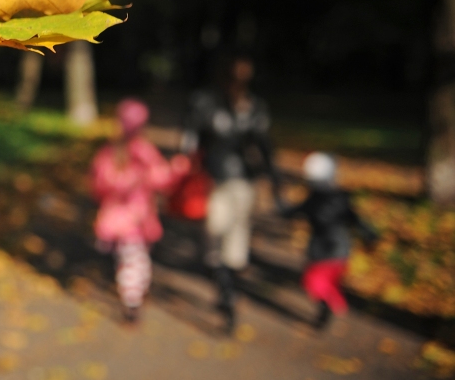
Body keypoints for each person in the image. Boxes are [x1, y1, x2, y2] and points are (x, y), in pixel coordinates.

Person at [180, 53, 281, 331]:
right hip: (224, 182)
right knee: (223, 238)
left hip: (232, 181)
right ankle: (226, 289)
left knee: (225, 241)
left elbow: (264, 147)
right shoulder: (213, 104)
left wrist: (273, 180)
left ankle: (227, 294)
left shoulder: (250, 107)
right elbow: (192, 140)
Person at [91, 98, 190, 322]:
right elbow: (160, 177)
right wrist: (176, 169)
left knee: (128, 257)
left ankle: (129, 292)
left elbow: (98, 184)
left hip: (120, 219)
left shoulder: (110, 152)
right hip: (135, 219)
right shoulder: (139, 152)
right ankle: (132, 300)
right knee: (135, 260)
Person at [280, 152, 378, 329]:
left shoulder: (338, 198)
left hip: (334, 249)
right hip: (324, 248)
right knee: (321, 283)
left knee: (314, 282)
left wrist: (368, 234)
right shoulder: (315, 199)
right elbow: (294, 212)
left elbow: (354, 218)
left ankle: (333, 303)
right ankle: (324, 314)